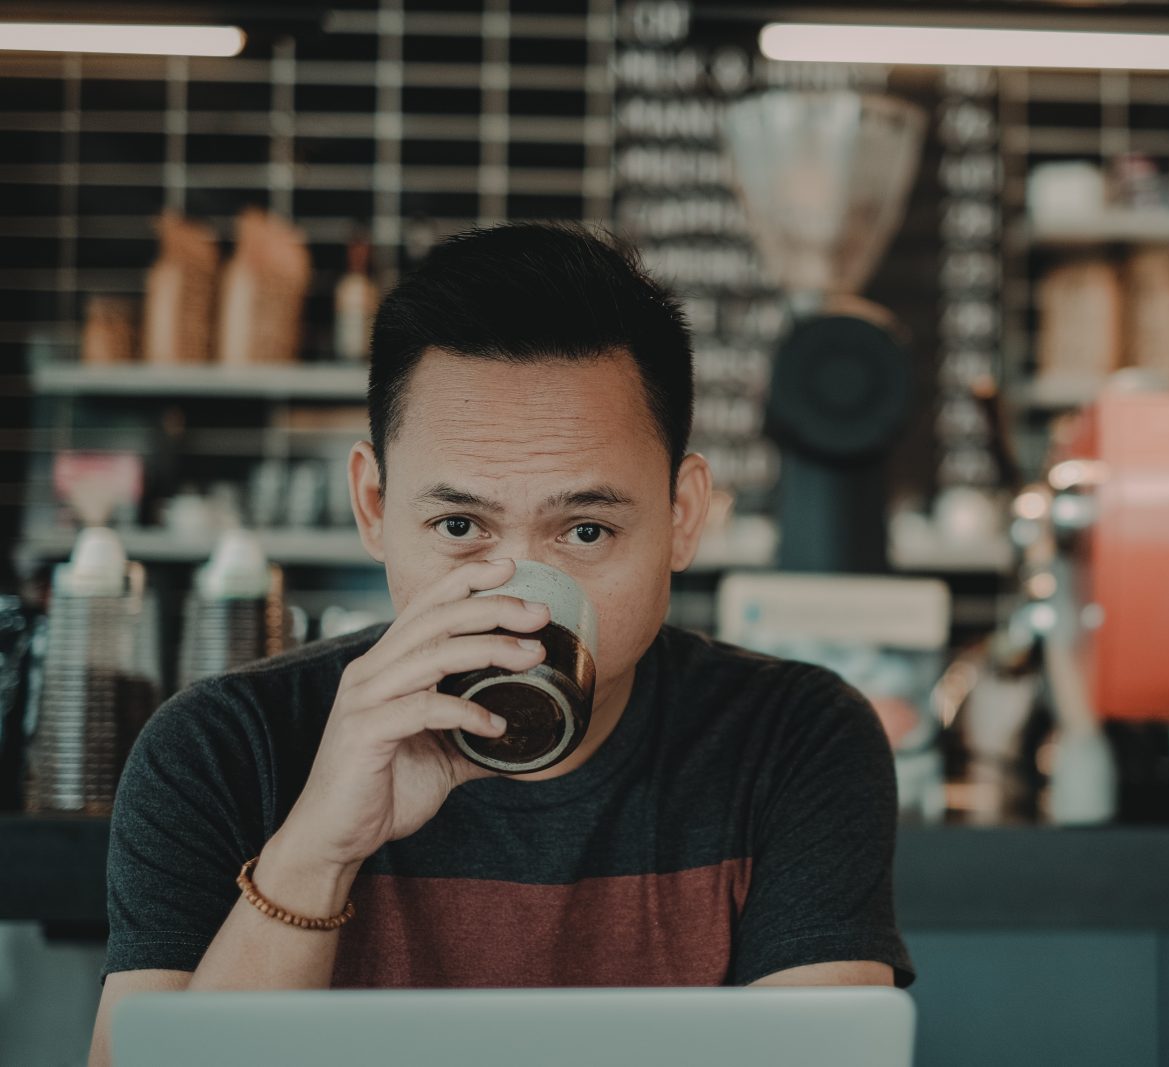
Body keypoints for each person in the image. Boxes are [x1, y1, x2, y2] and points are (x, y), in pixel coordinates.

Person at [88, 222, 914, 1065]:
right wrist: (317, 849)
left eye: (585, 530)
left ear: (683, 516)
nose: (517, 597)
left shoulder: (792, 739)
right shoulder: (222, 747)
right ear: (373, 505)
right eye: (459, 525)